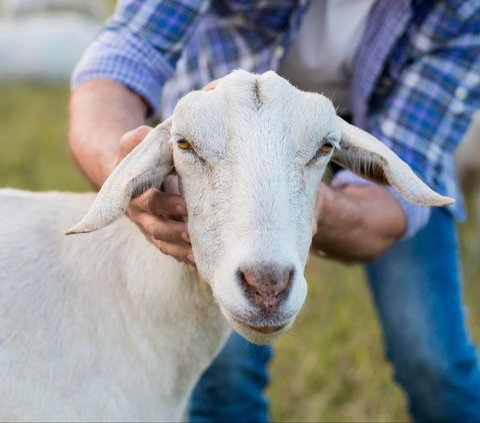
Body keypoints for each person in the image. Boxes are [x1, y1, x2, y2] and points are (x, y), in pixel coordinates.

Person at [68, 0, 480, 421]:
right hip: (216, 143)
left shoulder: (461, 9)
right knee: (223, 367)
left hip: (352, 136)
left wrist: (305, 198)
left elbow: (391, 204)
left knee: (435, 358)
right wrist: (120, 172)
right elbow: (127, 51)